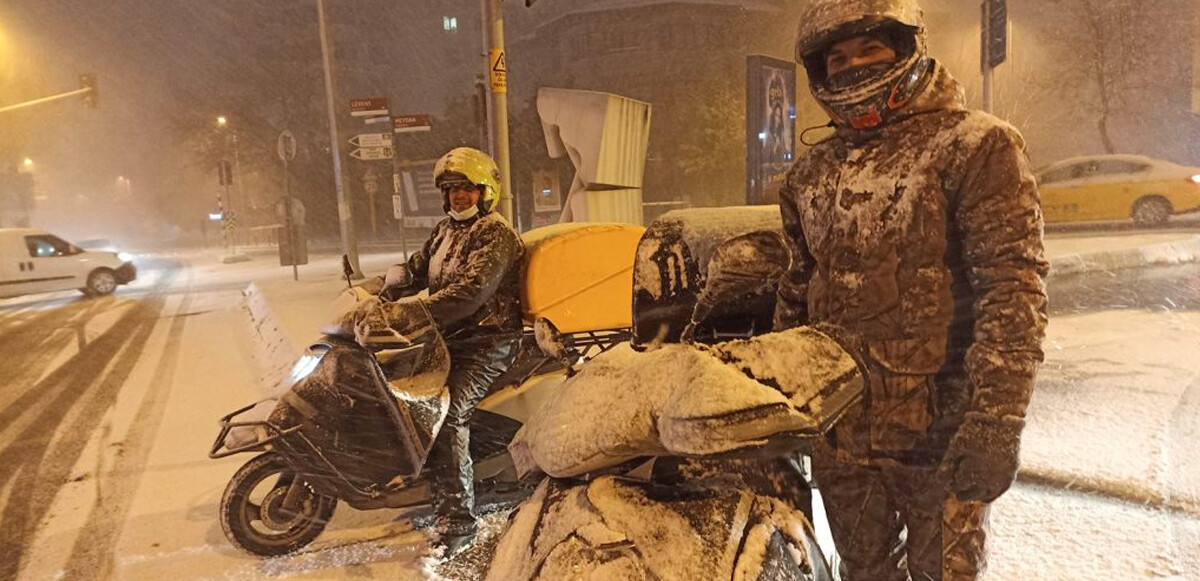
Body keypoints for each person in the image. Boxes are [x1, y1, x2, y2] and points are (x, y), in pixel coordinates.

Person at [775, 1, 1049, 579]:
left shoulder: (976, 146)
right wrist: (779, 403)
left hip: (942, 440)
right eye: (837, 58)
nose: (852, 67)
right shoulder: (810, 174)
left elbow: (1013, 291)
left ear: (904, 47)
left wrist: (997, 421)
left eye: (869, 49)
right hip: (843, 439)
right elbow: (798, 296)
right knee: (864, 574)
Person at [348, 147, 524, 554]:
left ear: (484, 192)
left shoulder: (495, 234)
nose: (458, 197)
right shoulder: (445, 230)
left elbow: (468, 295)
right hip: (452, 338)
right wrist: (376, 290)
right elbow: (415, 270)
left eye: (466, 188)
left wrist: (409, 310)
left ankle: (459, 520)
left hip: (491, 342)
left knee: (448, 414)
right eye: (450, 189)